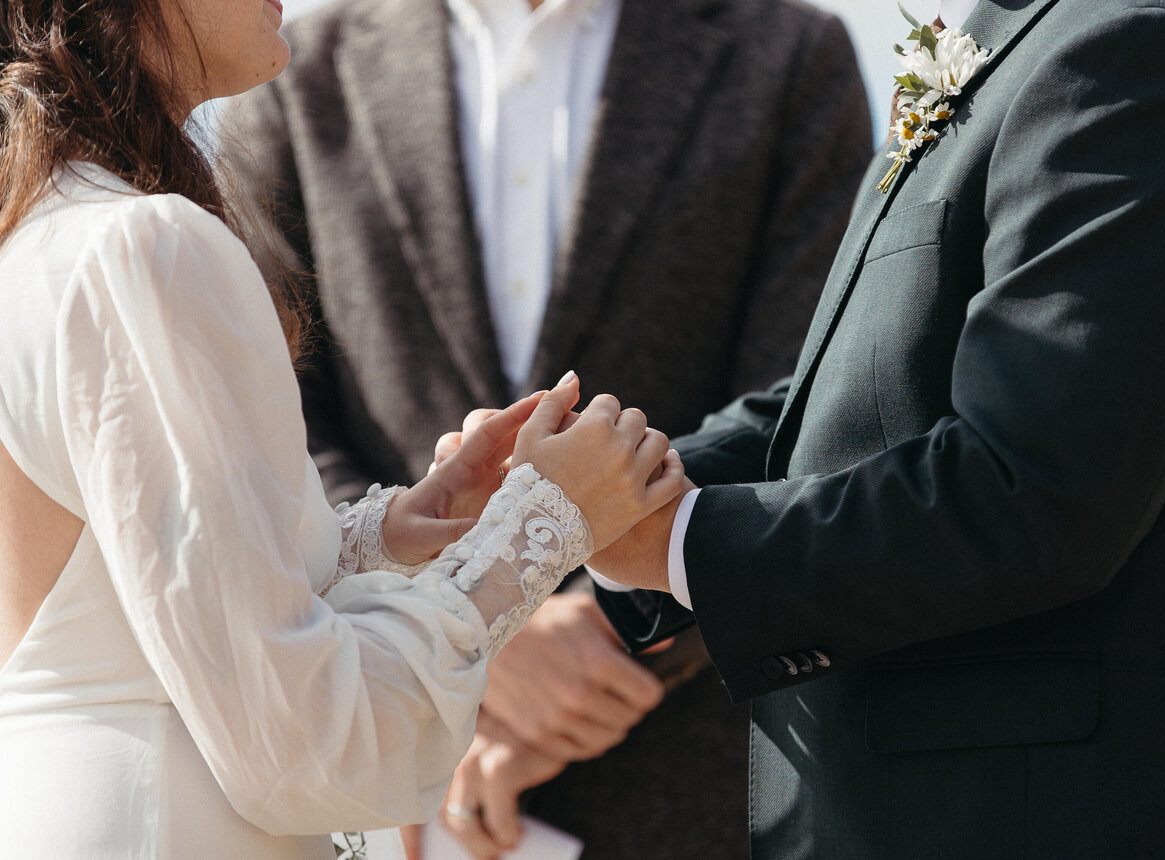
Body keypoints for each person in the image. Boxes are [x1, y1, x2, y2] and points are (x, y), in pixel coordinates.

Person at [0, 1, 685, 857]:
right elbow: (302, 743)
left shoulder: (43, 226)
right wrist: (544, 523)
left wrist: (400, 530)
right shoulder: (147, 245)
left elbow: (122, 586)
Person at [220, 0, 871, 854]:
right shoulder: (295, 69)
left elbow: (808, 405)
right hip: (397, 787)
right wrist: (479, 635)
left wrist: (609, 617)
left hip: (699, 772)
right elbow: (271, 421)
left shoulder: (790, 53)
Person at [588, 0, 1165, 856]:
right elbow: (852, 393)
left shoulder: (1139, 45)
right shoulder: (998, 34)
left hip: (1017, 818)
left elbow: (1036, 485)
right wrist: (599, 487)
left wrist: (681, 543)